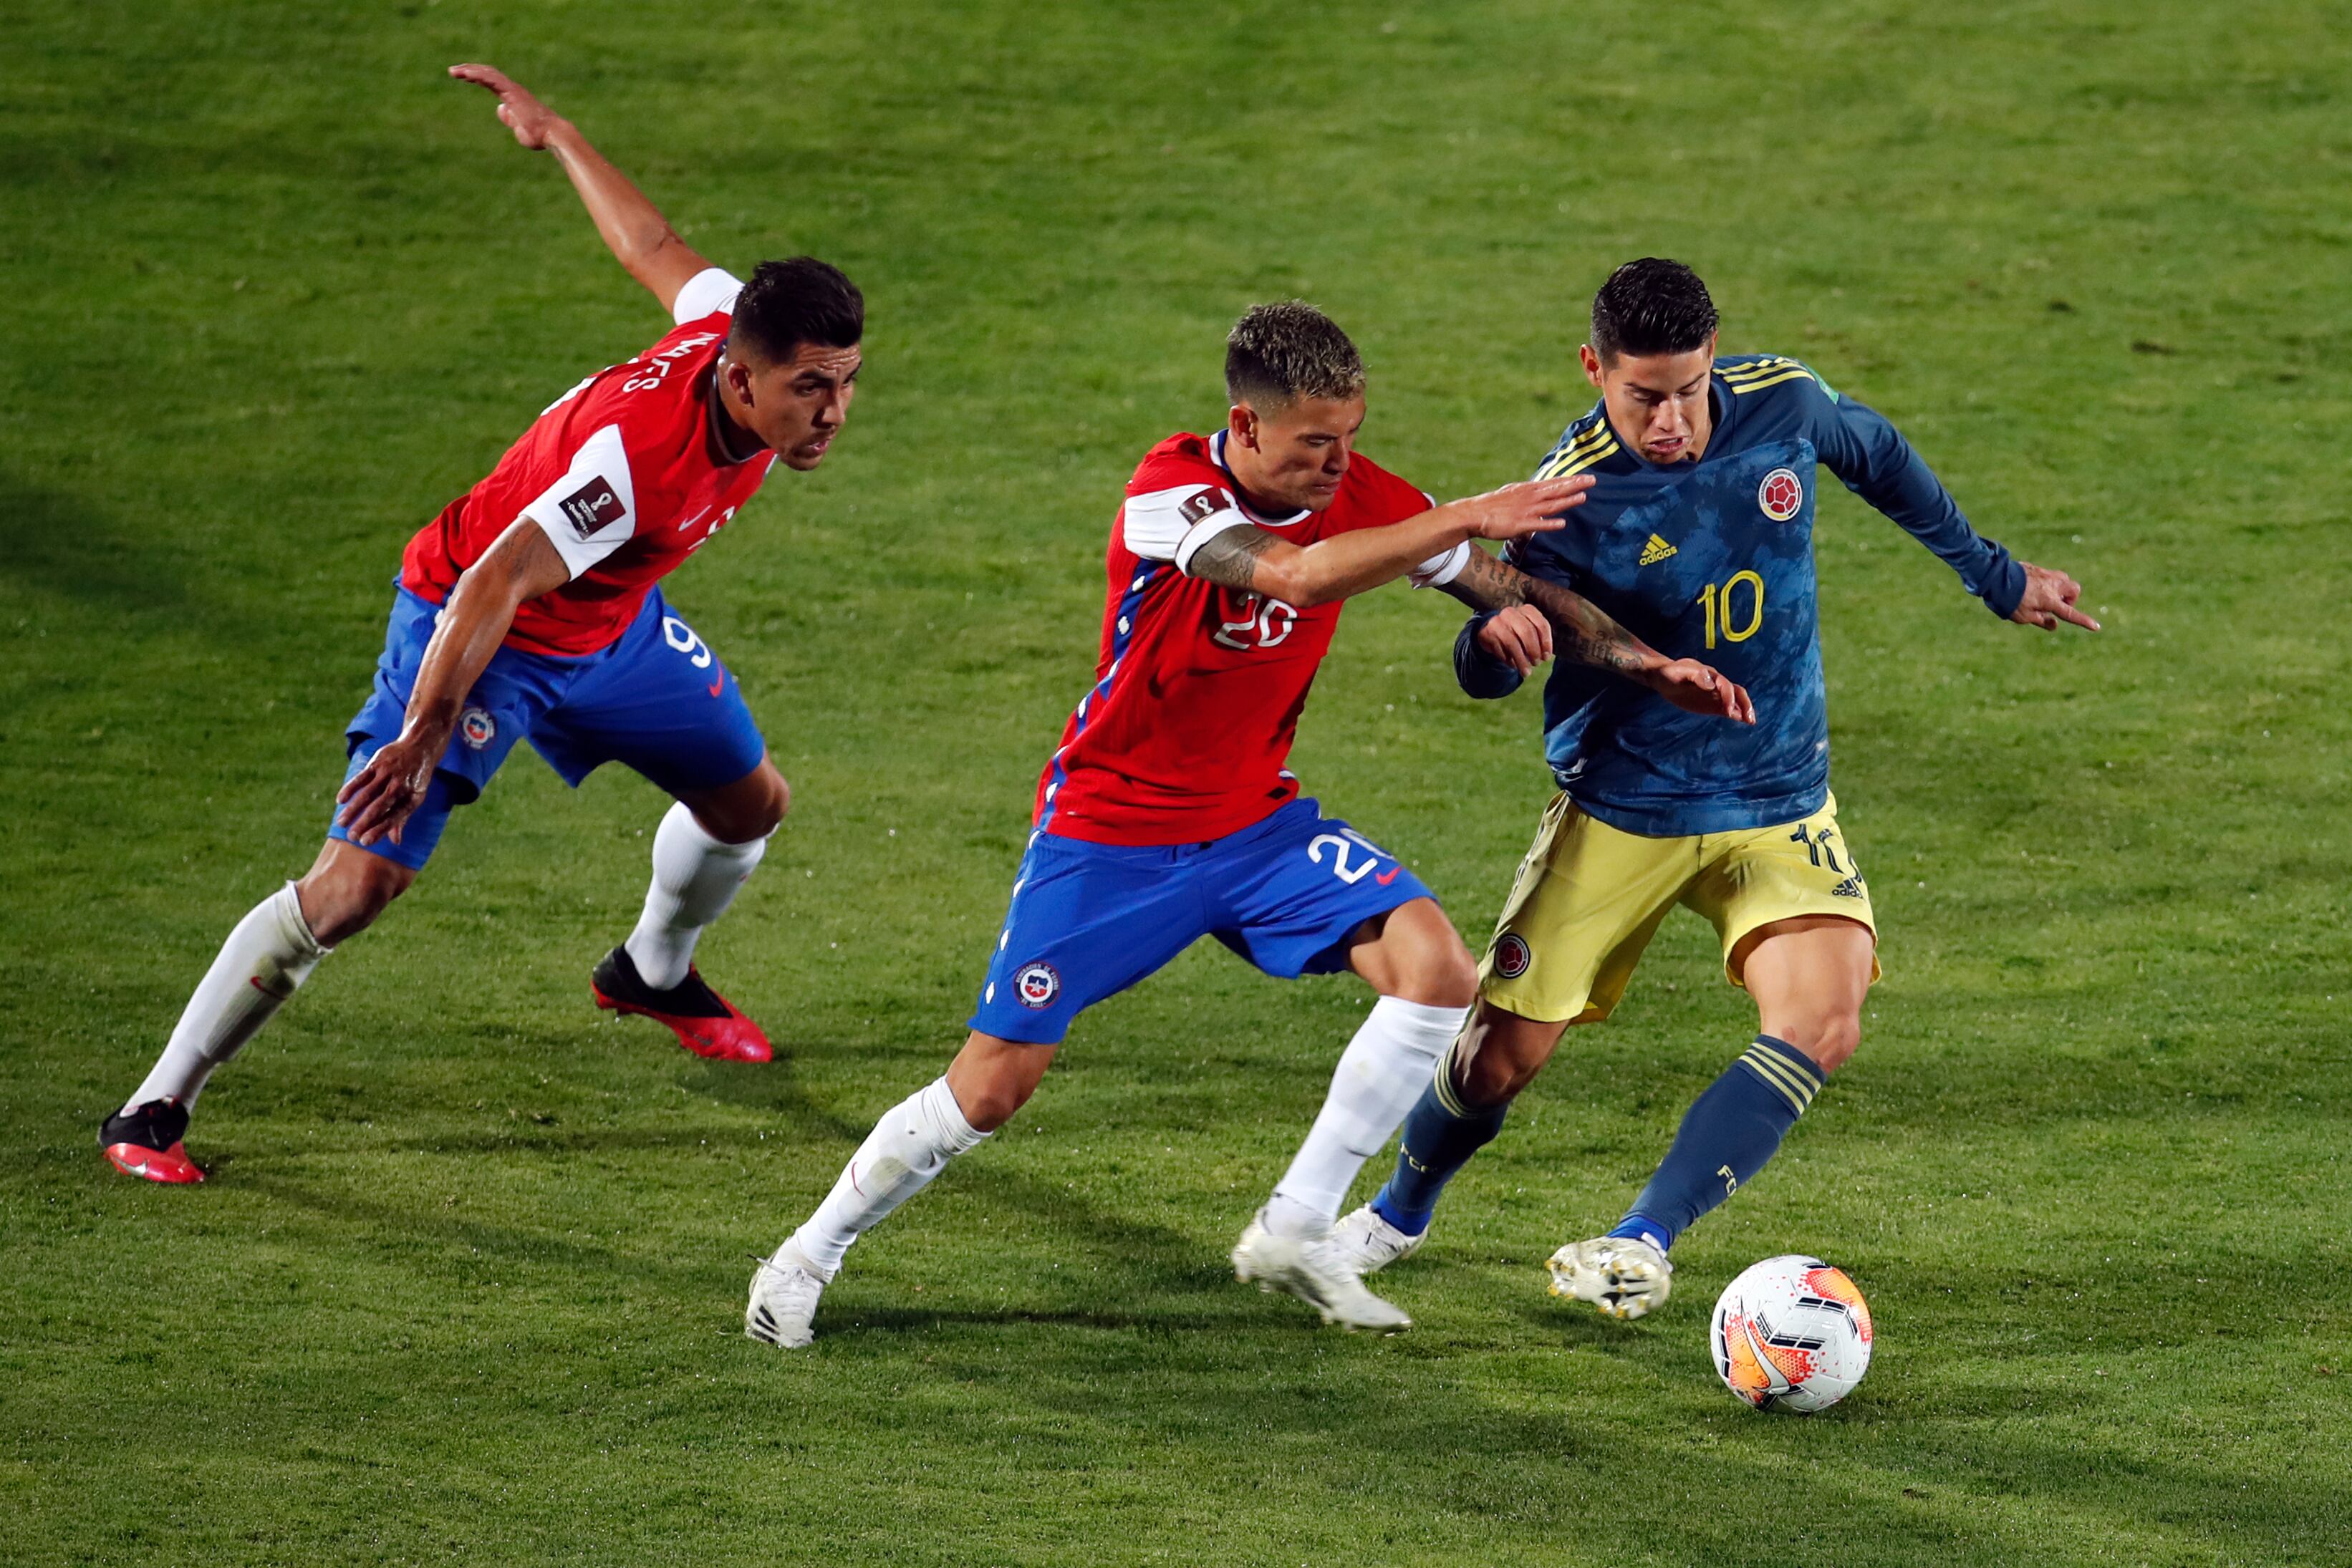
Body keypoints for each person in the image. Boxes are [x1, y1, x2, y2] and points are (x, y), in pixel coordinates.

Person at [744, 300, 1752, 1346]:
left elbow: (1506, 581)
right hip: (1111, 832)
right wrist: (1462, 516)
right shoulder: (1167, 495)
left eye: (1350, 440)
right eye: (1318, 442)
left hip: (1257, 825)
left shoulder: (1357, 490)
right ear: (1248, 424)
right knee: (992, 1088)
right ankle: (807, 1253)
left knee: (1439, 968)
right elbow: (1293, 572)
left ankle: (1297, 1224)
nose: (1338, 464)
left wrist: (1643, 663)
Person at [100, 64, 864, 1184]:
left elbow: (650, 245)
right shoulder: (631, 464)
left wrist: (557, 134)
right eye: (812, 389)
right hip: (480, 635)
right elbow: (493, 584)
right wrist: (421, 729)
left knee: (751, 800)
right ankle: (153, 1106)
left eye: (846, 383)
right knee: (357, 886)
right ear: (742, 381)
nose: (833, 414)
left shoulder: (725, 330)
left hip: (611, 629)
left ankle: (650, 970)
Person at [1337, 258, 2098, 1317]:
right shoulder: (1565, 496)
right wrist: (1495, 652)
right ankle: (1395, 1214)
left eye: (1689, 388)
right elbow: (1486, 646)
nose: (1672, 419)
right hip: (1625, 807)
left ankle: (1642, 1238)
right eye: (1644, 394)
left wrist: (1997, 572)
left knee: (1826, 1019)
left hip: (1783, 797)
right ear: (1593, 368)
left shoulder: (1782, 402)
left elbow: (1878, 453)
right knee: (1496, 1063)